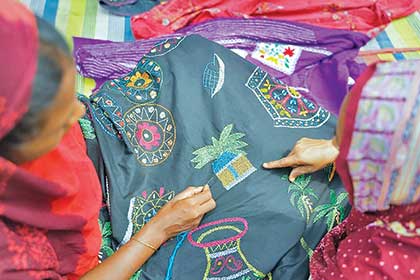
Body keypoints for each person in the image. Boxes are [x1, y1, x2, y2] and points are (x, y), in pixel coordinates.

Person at [0, 1, 215, 279]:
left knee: (193, 57)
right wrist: (159, 229)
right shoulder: (13, 256)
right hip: (97, 254)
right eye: (60, 120)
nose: (78, 110)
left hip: (96, 149)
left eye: (70, 98)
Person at [264, 61, 420, 279]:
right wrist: (334, 147)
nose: (342, 159)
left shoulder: (365, 269)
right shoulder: (407, 187)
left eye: (348, 149)